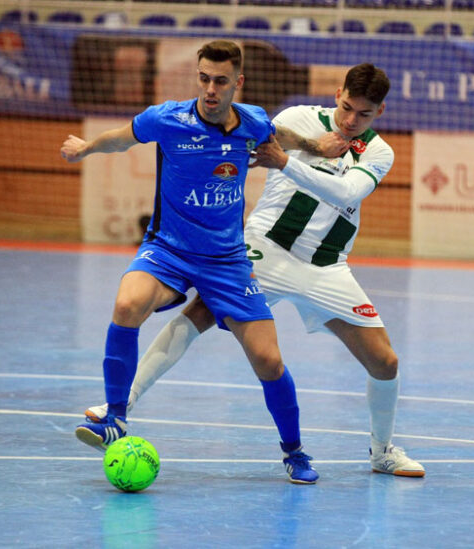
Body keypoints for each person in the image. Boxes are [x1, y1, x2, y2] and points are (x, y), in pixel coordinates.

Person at [86, 63, 425, 478]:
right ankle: (120, 406)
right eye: (348, 107)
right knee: (198, 314)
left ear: (381, 112)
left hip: (326, 268)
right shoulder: (296, 119)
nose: (353, 120)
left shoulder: (379, 151)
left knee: (385, 362)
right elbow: (234, 147)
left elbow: (347, 192)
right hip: (264, 249)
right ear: (338, 93)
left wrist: (286, 162)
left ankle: (382, 451)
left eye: (365, 114)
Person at [60, 40, 318, 484]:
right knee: (126, 306)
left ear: (238, 82)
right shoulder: (169, 119)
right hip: (169, 251)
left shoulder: (253, 121)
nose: (210, 89)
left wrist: (316, 146)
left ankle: (294, 452)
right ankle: (115, 419)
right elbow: (120, 139)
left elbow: (284, 138)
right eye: (204, 79)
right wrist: (85, 148)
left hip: (227, 262)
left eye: (220, 81)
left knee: (268, 361)